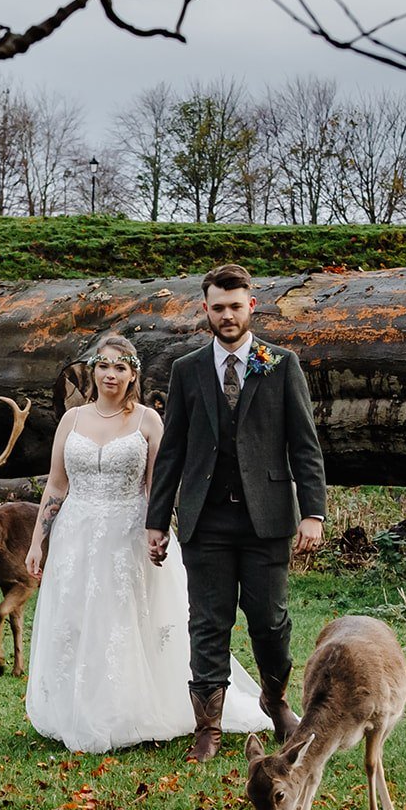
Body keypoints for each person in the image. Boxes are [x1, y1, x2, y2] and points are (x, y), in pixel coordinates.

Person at [23, 334, 273, 754]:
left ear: (133, 374)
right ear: (93, 371)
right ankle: (77, 708)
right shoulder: (72, 420)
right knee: (77, 620)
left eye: (120, 367)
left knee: (123, 621)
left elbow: (159, 487)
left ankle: (127, 711)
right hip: (75, 535)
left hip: (128, 533)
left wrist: (158, 530)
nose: (111, 374)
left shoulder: (147, 421)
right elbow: (56, 485)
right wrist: (37, 542)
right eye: (104, 365)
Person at [145, 263, 328, 763]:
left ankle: (275, 699)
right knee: (208, 622)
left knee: (270, 621)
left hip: (266, 518)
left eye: (235, 306)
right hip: (205, 520)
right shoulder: (187, 370)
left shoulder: (281, 364)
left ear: (252, 306)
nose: (227, 315)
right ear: (205, 310)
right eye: (218, 308)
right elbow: (172, 451)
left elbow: (305, 446)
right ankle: (208, 728)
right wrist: (156, 522)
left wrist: (313, 512)